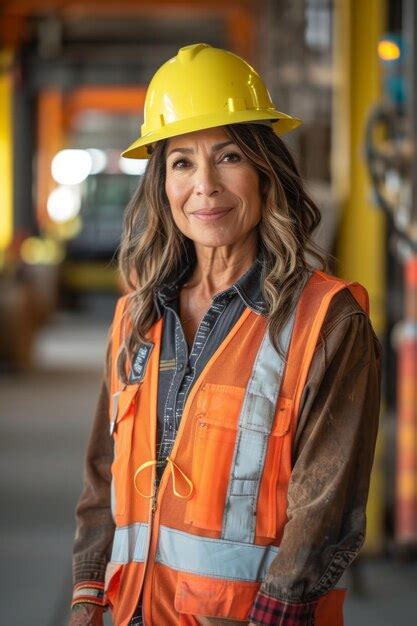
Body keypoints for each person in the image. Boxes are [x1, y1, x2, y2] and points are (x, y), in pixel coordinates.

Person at [69, 43, 381, 626]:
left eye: (229, 155)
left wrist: (275, 615)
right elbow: (102, 473)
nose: (204, 185)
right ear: (162, 183)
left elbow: (326, 510)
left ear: (266, 170)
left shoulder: (326, 322)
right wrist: (88, 595)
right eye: (181, 162)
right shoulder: (136, 318)